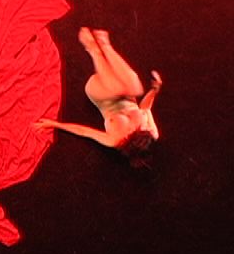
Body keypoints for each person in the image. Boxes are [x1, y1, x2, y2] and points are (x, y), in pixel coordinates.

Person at [34, 27, 162, 167]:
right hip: (122, 86)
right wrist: (154, 90)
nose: (136, 129)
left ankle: (95, 50)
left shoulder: (115, 140)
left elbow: (85, 132)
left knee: (124, 88)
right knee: (133, 86)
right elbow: (146, 107)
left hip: (101, 94)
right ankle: (105, 47)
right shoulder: (151, 132)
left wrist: (55, 124)